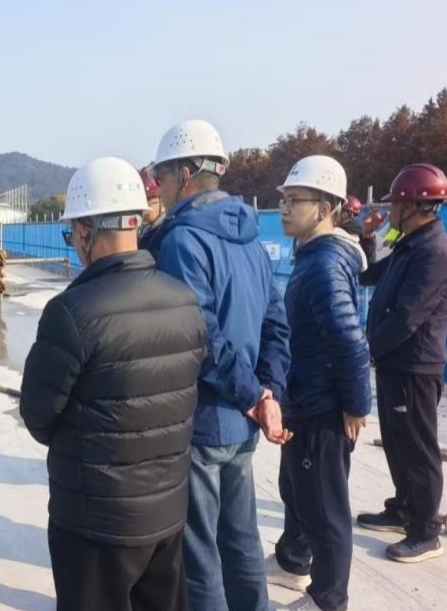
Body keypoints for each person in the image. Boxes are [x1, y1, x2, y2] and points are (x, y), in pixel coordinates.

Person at [19, 157, 207, 611]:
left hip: (95, 523)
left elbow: (37, 415)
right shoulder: (184, 302)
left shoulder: (71, 313)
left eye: (72, 235)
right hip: (166, 516)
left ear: (85, 231)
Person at [146, 119, 292, 611]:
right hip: (244, 423)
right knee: (241, 539)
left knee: (200, 554)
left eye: (162, 177)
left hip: (205, 422)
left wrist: (255, 395)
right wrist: (267, 394)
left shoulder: (182, 241)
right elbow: (277, 325)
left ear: (185, 174)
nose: (159, 189)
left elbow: (199, 335)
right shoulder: (251, 239)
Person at [267, 156, 372, 611]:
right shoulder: (312, 255)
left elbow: (350, 340)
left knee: (325, 511)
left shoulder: (325, 265)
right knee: (298, 493)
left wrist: (356, 405)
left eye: (295, 200)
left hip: (322, 408)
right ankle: (293, 561)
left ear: (326, 208)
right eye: (283, 199)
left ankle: (329, 598)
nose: (284, 208)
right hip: (304, 398)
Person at [356, 163, 447, 563]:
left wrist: (364, 351)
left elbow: (408, 316)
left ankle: (426, 531)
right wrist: (368, 237)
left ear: (410, 206)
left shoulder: (433, 252)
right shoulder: (409, 243)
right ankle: (404, 508)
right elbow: (368, 275)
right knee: (396, 440)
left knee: (418, 447)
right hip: (396, 363)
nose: (389, 210)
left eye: (394, 203)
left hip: (415, 366)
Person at [337, 195, 377, 263]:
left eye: (341, 211)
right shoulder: (359, 228)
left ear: (349, 213)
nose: (338, 214)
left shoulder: (348, 229)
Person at [137, 165, 164, 250]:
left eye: (147, 202)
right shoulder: (147, 230)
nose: (143, 209)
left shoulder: (164, 234)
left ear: (162, 201)